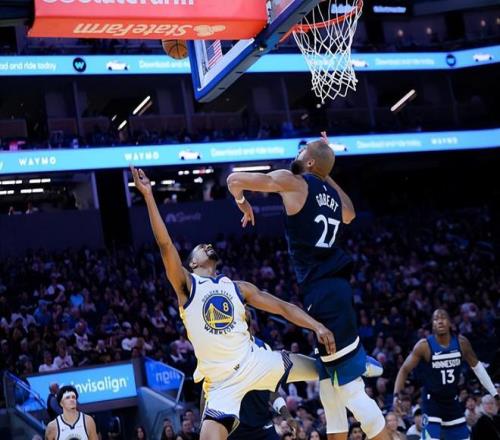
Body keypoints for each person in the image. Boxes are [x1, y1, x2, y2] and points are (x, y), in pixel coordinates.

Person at [130, 166, 335, 440]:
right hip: (222, 383)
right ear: (192, 263)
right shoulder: (187, 285)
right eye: (199, 248)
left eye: (207, 246)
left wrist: (316, 326)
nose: (206, 246)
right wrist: (148, 196)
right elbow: (165, 245)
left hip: (255, 361)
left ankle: (358, 362)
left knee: (325, 367)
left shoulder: (238, 288)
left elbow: (283, 307)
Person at [226, 134, 388, 440]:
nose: (298, 152)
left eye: (303, 150)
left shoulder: (294, 182)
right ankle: (355, 358)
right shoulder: (331, 194)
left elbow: (234, 180)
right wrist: (326, 175)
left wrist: (241, 202)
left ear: (309, 162)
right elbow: (350, 213)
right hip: (337, 288)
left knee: (351, 392)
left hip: (322, 293)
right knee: (328, 389)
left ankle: (357, 364)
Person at [394, 309, 499, 440]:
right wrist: (396, 396)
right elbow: (404, 369)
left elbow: (478, 368)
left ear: (450, 322)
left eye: (443, 318)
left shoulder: (462, 343)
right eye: (436, 319)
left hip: (452, 401)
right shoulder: (424, 346)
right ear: (433, 325)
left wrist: (494, 393)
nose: (440, 321)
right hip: (431, 401)